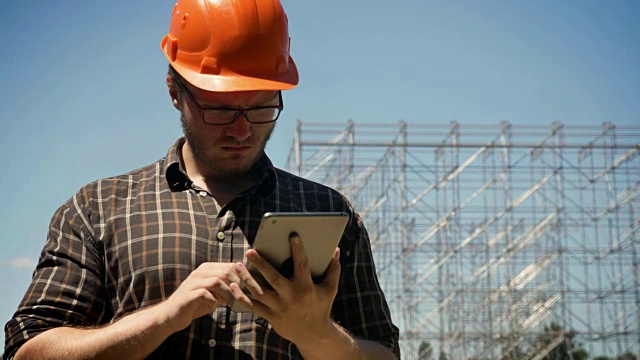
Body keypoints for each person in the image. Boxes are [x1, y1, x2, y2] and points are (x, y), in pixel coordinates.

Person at [3, 0, 400, 359]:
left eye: (261, 107)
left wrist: (315, 334)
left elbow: (385, 353)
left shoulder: (328, 212)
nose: (242, 131)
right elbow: (28, 352)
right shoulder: (97, 210)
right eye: (221, 110)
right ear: (175, 90)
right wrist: (165, 318)